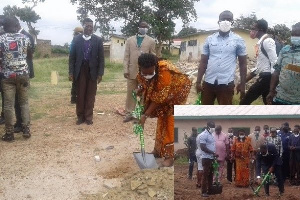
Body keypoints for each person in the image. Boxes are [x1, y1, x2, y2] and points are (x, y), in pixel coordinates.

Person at [137, 53, 191, 167]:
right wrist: (140, 89)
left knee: (170, 122)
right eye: (145, 73)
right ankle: (158, 151)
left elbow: (158, 98)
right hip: (165, 94)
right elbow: (145, 84)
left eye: (150, 73)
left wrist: (145, 115)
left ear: (155, 67)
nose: (147, 75)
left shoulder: (165, 71)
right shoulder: (143, 70)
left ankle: (169, 156)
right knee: (162, 119)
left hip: (176, 95)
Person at [196, 10, 247, 105]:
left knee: (225, 114)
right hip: (208, 83)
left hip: (226, 84)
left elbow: (243, 64)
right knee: (205, 112)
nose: (225, 21)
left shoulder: (239, 40)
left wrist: (243, 85)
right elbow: (203, 62)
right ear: (218, 21)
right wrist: (198, 81)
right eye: (223, 19)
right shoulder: (210, 39)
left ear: (232, 22)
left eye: (228, 19)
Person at [0, 16, 32, 141]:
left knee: (8, 105)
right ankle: (26, 129)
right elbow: (29, 55)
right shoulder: (25, 38)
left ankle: (9, 133)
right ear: (16, 26)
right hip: (23, 74)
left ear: (5, 26)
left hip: (8, 76)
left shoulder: (1, 39)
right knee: (24, 103)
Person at [69, 18, 104, 125]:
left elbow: (101, 59)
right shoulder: (76, 39)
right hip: (80, 70)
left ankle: (88, 117)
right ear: (83, 26)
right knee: (80, 94)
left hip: (92, 70)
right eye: (87, 26)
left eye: (91, 27)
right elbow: (72, 58)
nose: (89, 28)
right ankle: (80, 116)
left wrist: (100, 73)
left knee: (90, 94)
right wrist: (71, 72)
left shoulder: (98, 40)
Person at [123, 21, 156, 123]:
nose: (144, 28)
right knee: (131, 93)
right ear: (138, 27)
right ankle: (129, 113)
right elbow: (126, 56)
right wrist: (125, 69)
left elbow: (153, 56)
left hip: (145, 72)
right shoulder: (130, 40)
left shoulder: (151, 41)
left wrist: (152, 71)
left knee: (143, 94)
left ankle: (140, 114)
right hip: (132, 70)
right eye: (142, 26)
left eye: (146, 27)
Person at [239, 19, 277, 105]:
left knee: (244, 102)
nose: (251, 31)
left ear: (261, 30)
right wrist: (243, 81)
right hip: (265, 77)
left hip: (267, 78)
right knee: (268, 104)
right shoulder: (261, 43)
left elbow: (275, 62)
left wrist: (273, 87)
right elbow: (259, 67)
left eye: (253, 28)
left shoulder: (267, 41)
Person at [267, 22, 300, 105]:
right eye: (293, 34)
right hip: (281, 98)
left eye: (298, 35)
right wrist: (271, 91)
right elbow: (277, 71)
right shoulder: (285, 50)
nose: (295, 37)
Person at [14, 17, 35, 133]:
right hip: (17, 73)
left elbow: (30, 55)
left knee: (21, 100)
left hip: (22, 72)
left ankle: (22, 124)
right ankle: (20, 122)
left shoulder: (26, 36)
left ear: (16, 25)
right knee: (17, 100)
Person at [199, 121, 217, 197]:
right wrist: (212, 152)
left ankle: (210, 190)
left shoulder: (211, 135)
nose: (213, 128)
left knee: (211, 174)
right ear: (208, 127)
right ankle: (203, 191)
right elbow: (202, 147)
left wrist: (214, 154)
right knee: (205, 175)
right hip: (206, 158)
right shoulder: (203, 135)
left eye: (214, 127)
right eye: (212, 127)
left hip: (212, 158)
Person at [69, 26, 83, 104]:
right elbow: (71, 54)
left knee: (77, 82)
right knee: (75, 81)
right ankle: (74, 98)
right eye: (79, 32)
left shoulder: (75, 40)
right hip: (75, 63)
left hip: (78, 63)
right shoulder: (74, 41)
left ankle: (75, 98)